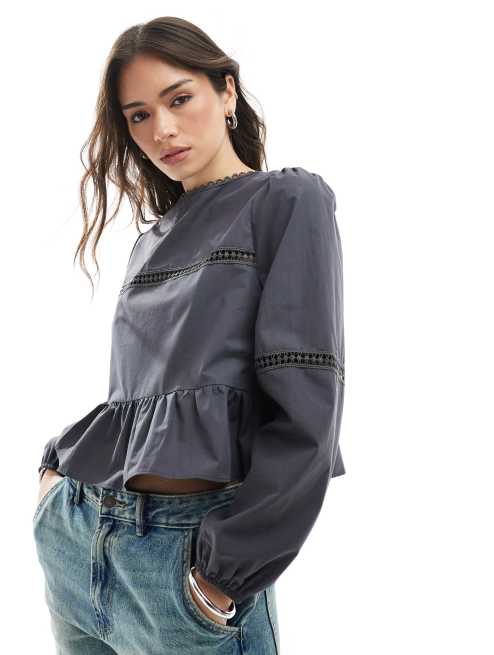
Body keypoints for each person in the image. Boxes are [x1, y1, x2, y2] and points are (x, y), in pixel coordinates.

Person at [33, 16, 345, 655]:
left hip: (185, 564)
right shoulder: (151, 239)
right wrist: (54, 479)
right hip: (78, 543)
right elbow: (135, 399)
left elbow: (308, 407)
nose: (162, 130)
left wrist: (223, 577)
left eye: (179, 99)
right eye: (139, 115)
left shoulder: (286, 200)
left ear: (226, 91)